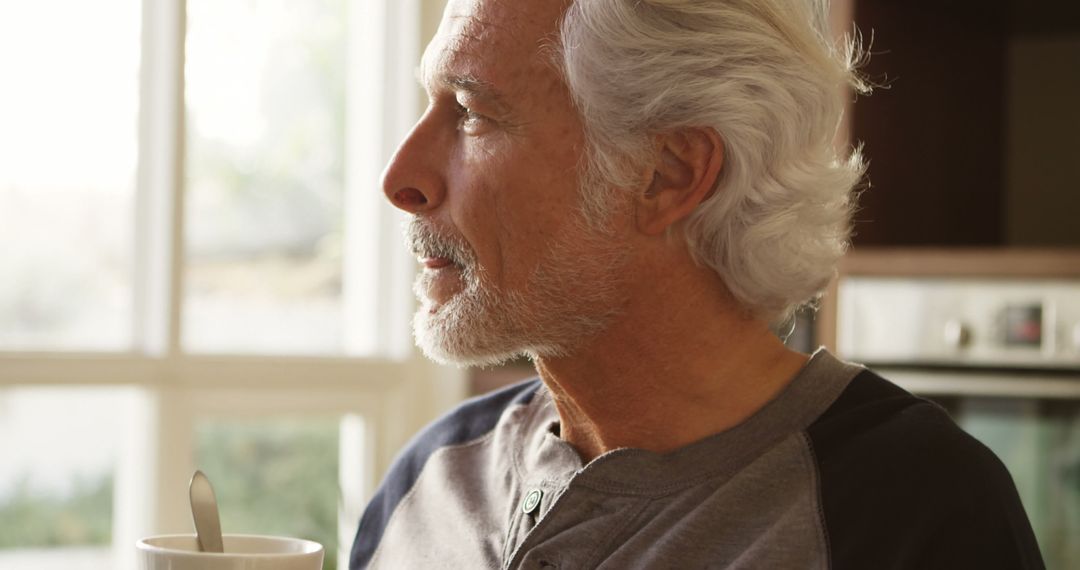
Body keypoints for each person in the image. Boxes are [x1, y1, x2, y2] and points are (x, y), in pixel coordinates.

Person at [350, 0, 1044, 568]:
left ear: (670, 173)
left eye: (472, 114)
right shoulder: (429, 479)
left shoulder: (912, 514)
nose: (399, 177)